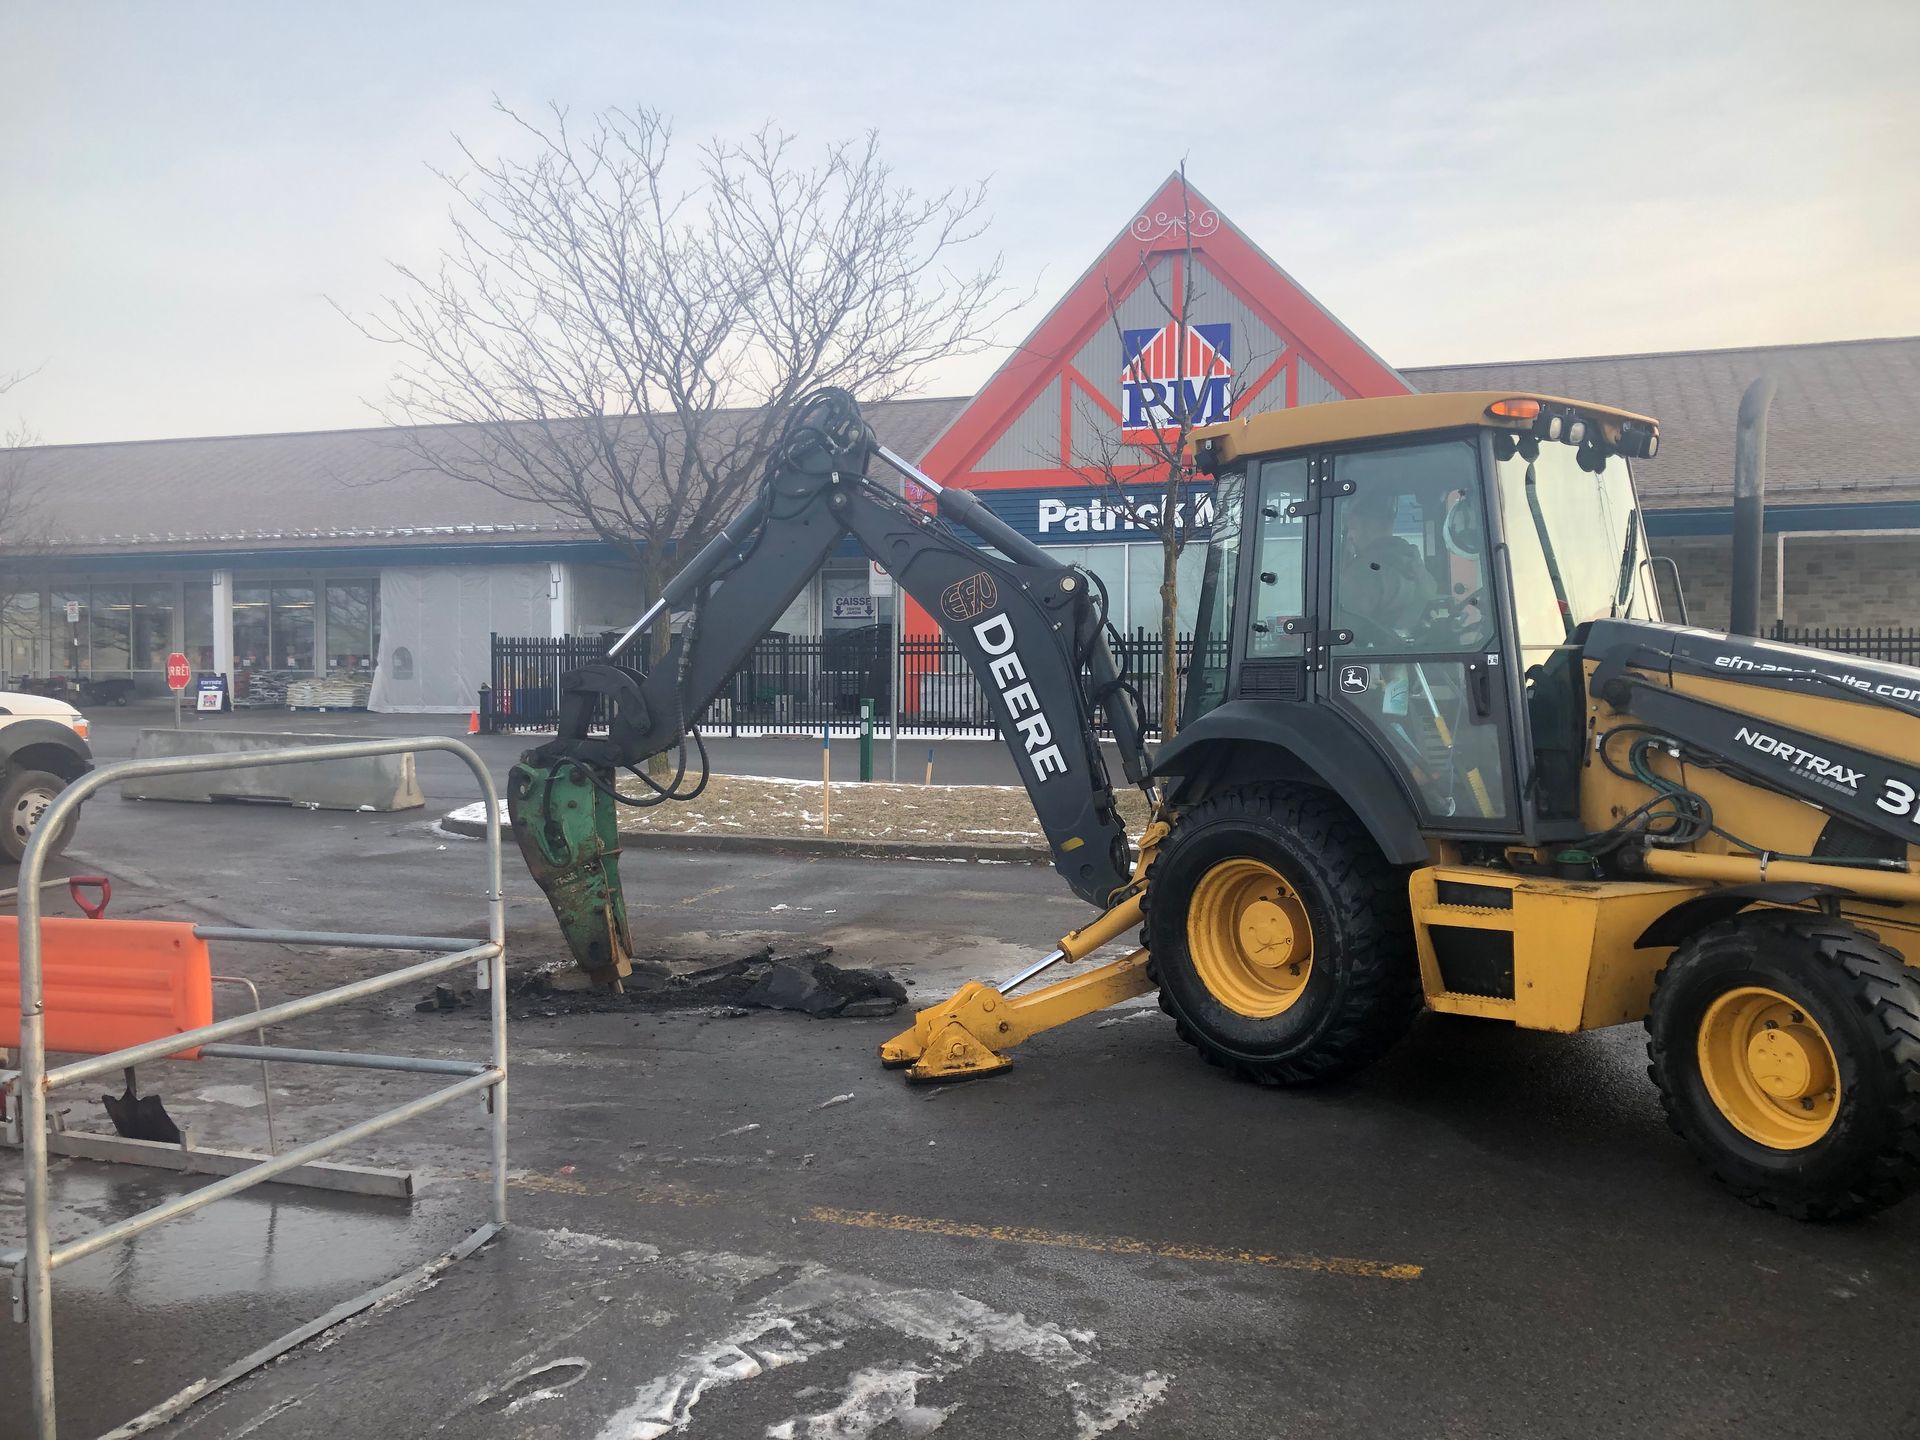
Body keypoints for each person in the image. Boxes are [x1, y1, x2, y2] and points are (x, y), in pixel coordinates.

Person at [1337, 490, 1436, 641]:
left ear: (1367, 526)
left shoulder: (1363, 573)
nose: (1350, 536)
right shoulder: (1413, 564)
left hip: (1370, 659)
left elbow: (1341, 632)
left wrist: (1342, 575)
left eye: (1353, 527)